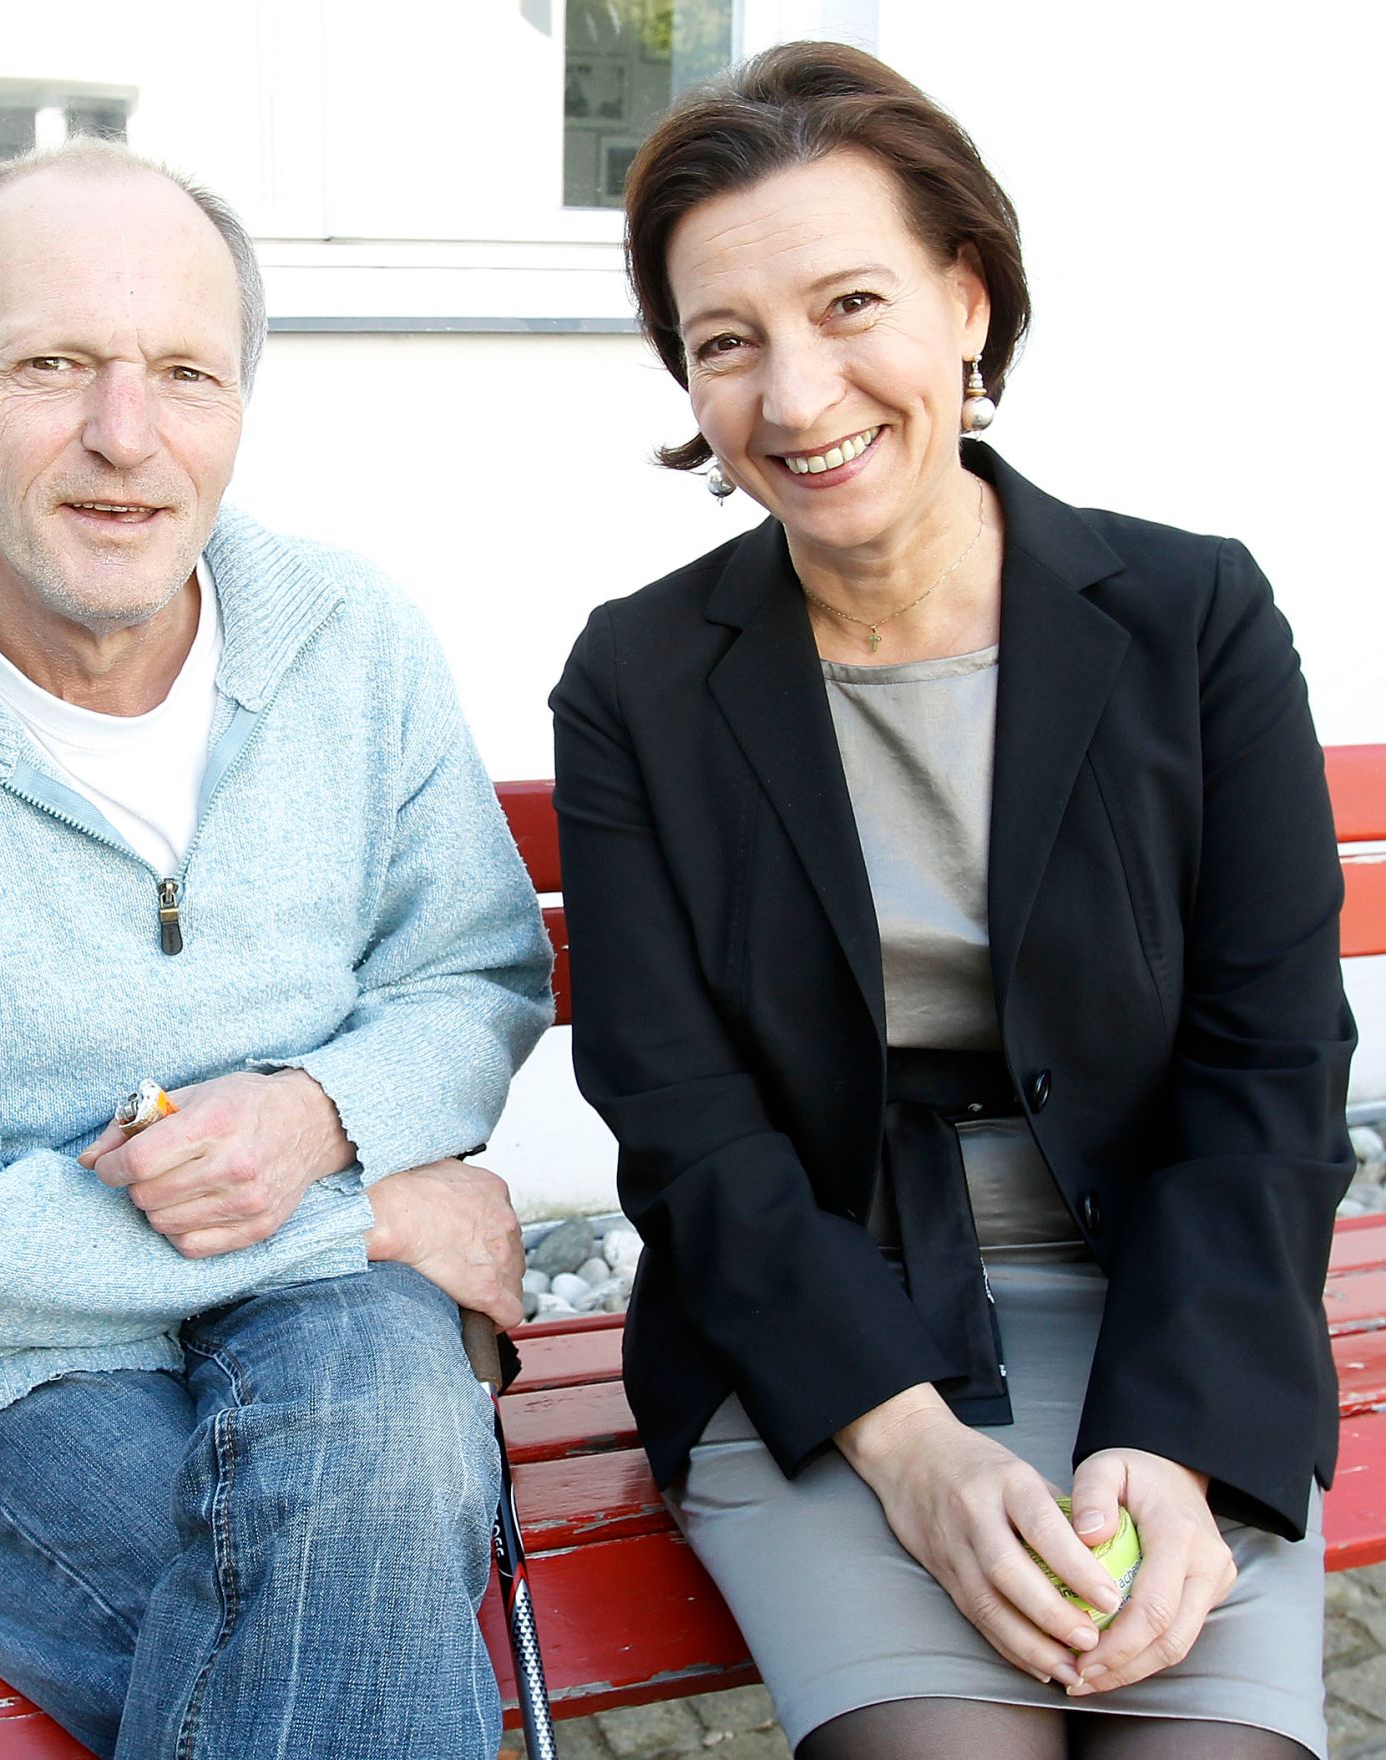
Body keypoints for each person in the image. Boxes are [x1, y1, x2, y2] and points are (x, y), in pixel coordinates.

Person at [0, 139, 552, 1760]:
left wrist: (313, 1117)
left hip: (327, 1310)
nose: (124, 435)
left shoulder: (351, 636)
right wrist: (356, 1223)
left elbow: (477, 972)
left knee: (342, 1524)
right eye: (50, 365)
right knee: (357, 1568)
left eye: (183, 373)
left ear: (239, 402)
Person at [550, 41, 1353, 1760]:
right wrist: (908, 1448)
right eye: (726, 342)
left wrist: (1185, 1435)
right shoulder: (640, 679)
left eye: (852, 303)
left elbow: (1269, 1065)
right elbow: (685, 1130)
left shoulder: (1195, 620)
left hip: (1170, 1306)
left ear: (967, 301)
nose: (796, 394)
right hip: (829, 1337)